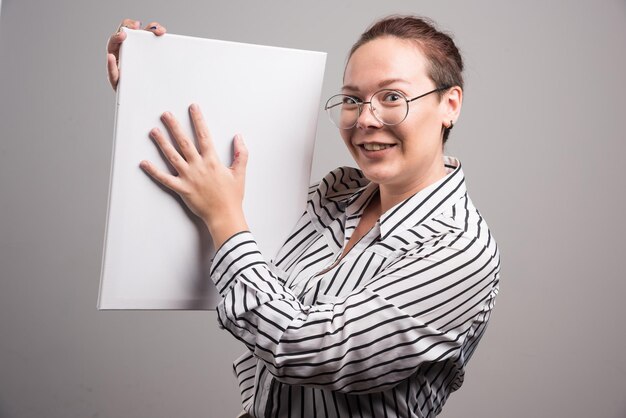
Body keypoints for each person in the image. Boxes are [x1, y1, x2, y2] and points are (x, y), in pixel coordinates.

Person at [106, 15, 500, 418]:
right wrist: (151, 86)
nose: (365, 119)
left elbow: (309, 350)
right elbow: (215, 207)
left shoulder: (460, 247)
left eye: (392, 97)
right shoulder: (336, 194)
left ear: (449, 104)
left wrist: (224, 216)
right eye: (352, 99)